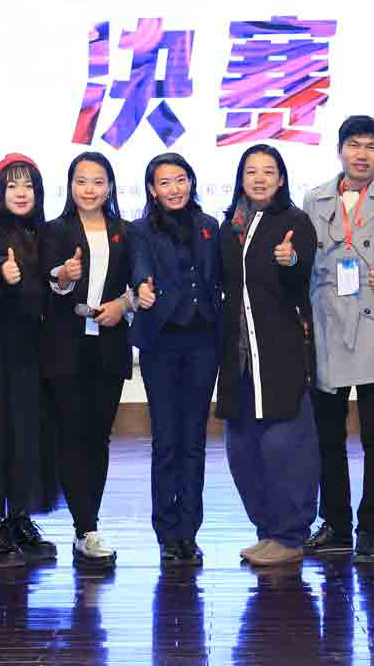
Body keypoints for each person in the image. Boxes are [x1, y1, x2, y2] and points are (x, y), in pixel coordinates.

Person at [301, 115, 374, 562]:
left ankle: (372, 528)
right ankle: (335, 523)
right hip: (327, 321)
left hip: (372, 321)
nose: (362, 154)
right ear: (340, 150)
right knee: (327, 434)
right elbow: (305, 257)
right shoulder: (314, 198)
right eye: (354, 145)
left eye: (371, 147)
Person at [215, 144, 320, 567]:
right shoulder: (229, 226)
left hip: (280, 352)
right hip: (237, 356)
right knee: (242, 449)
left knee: (285, 447)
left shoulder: (295, 222)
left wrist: (290, 260)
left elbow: (302, 277)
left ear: (281, 179)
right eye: (251, 171)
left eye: (268, 171)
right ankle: (267, 530)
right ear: (241, 179)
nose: (259, 179)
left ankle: (290, 535)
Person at [0, 154, 61, 569]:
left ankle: (20, 519)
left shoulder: (46, 232)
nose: (21, 194)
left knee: (28, 436)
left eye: (28, 186)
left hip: (36, 352)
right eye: (12, 186)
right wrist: (0, 277)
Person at [40, 152, 135, 567]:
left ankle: (87, 526)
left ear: (110, 187)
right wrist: (63, 277)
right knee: (73, 436)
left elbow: (141, 282)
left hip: (109, 347)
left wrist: (123, 304)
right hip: (65, 347)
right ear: (70, 186)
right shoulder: (53, 230)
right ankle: (85, 527)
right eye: (82, 181)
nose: (90, 189)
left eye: (98, 181)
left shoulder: (126, 231)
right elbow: (47, 283)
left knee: (98, 438)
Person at [129, 152, 224, 567]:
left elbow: (220, 276)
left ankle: (190, 531)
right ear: (152, 190)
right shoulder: (139, 230)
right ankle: (167, 534)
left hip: (204, 341)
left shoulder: (209, 226)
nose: (174, 188)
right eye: (164, 182)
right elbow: (139, 266)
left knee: (194, 439)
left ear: (191, 182)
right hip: (162, 342)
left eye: (180, 179)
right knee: (166, 440)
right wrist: (141, 288)